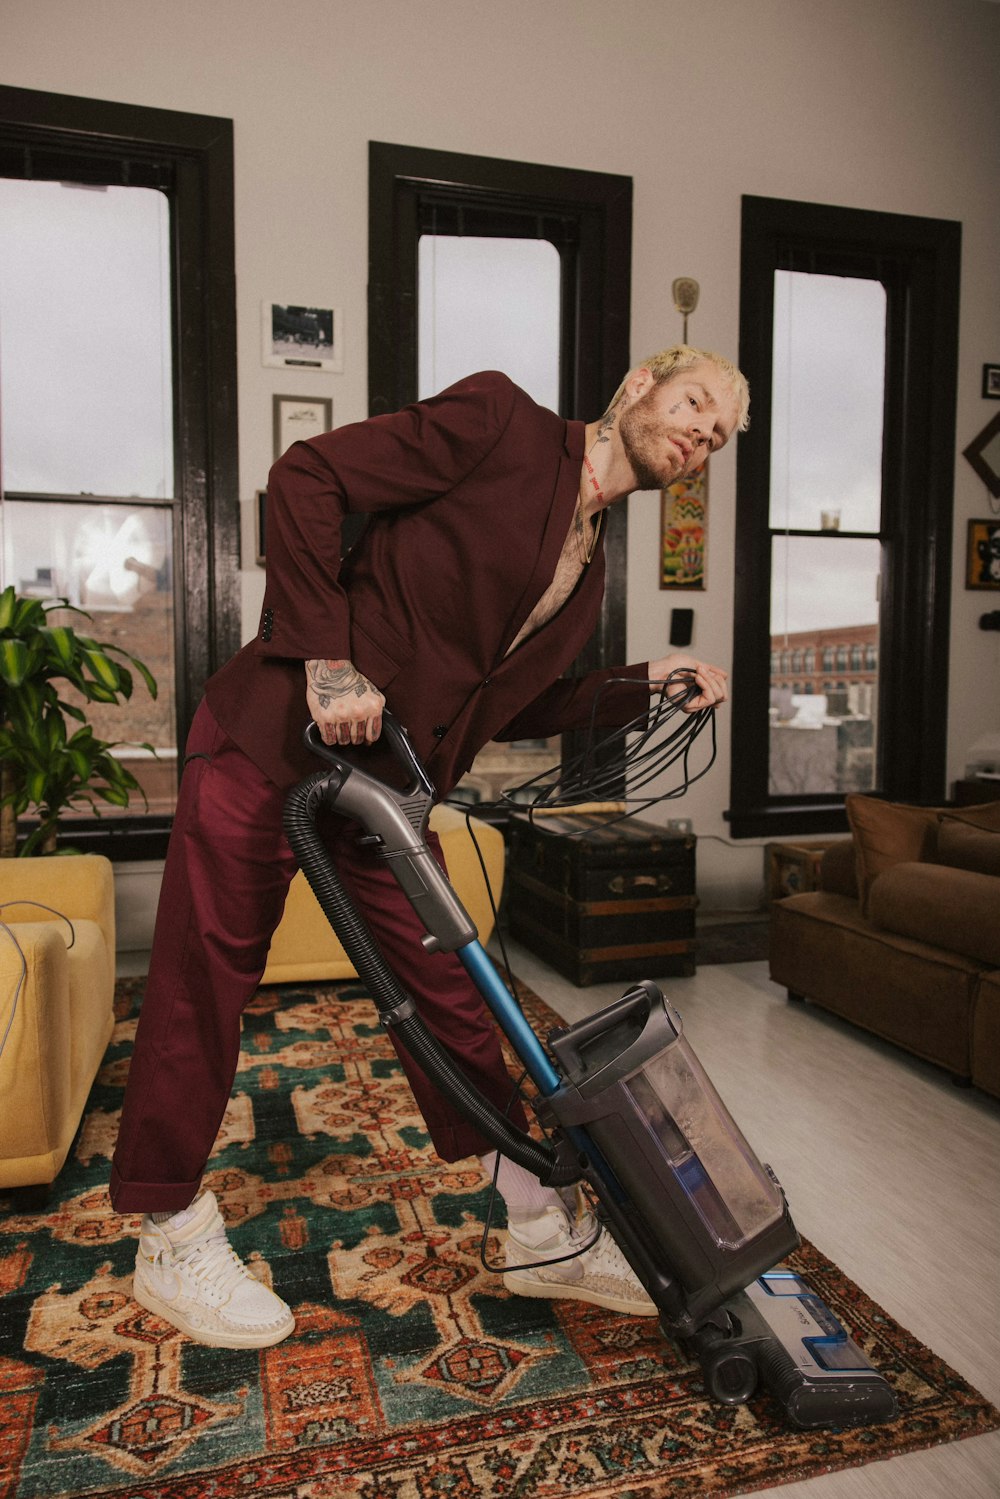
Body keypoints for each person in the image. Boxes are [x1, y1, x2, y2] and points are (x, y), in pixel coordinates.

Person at [111, 344, 748, 1350]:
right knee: (204, 980)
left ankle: (541, 1227)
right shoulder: (500, 424)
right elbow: (306, 476)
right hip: (272, 740)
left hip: (384, 790)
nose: (698, 434)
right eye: (693, 403)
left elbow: (515, 699)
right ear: (635, 385)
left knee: (450, 991)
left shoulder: (588, 565)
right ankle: (168, 1229)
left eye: (717, 435)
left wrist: (645, 678)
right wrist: (325, 656)